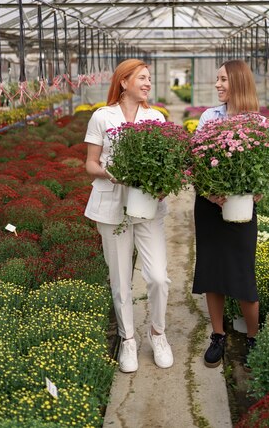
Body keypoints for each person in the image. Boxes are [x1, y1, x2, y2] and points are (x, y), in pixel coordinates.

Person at [84, 58, 173, 373]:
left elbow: (166, 164)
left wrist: (163, 185)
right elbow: (90, 164)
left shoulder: (156, 118)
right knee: (121, 281)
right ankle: (129, 340)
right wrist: (111, 173)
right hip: (110, 207)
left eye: (150, 79)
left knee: (159, 278)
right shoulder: (102, 116)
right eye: (143, 78)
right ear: (123, 82)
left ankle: (157, 334)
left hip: (148, 208)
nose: (148, 83)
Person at [192, 59, 262, 368]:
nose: (218, 85)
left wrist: (256, 191)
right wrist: (210, 193)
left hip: (242, 209)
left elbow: (266, 174)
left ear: (239, 83)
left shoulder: (257, 124)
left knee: (243, 273)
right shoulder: (209, 117)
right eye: (217, 79)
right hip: (209, 207)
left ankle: (253, 337)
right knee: (212, 271)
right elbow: (194, 163)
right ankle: (218, 335)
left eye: (223, 80)